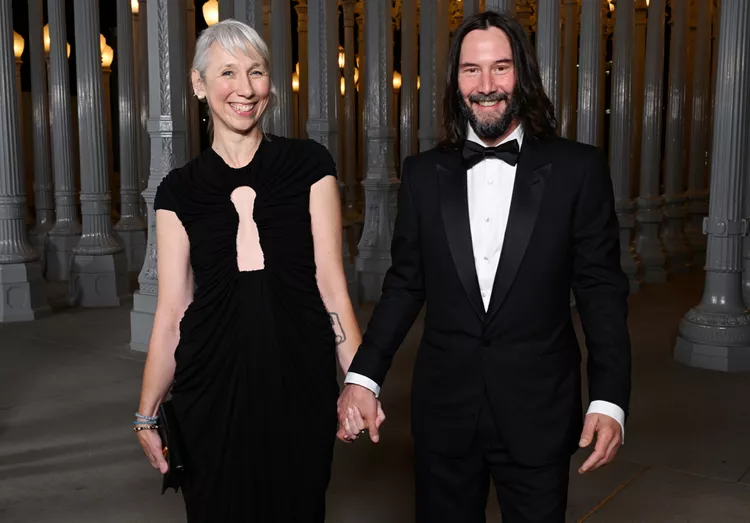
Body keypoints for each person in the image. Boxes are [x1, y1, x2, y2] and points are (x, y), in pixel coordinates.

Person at [337, 11, 632, 523]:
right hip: (445, 414)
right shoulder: (424, 174)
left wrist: (609, 401)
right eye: (471, 70)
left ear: (524, 75)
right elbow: (404, 286)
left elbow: (601, 292)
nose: (487, 85)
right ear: (455, 82)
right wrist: (363, 377)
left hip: (539, 410)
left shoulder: (578, 170)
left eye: (501, 67)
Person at [133, 19, 377, 522]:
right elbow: (173, 311)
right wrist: (145, 413)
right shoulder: (178, 191)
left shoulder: (310, 164)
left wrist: (361, 381)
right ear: (199, 85)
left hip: (299, 379)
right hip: (209, 387)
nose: (244, 89)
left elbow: (331, 284)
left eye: (257, 72)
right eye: (226, 73)